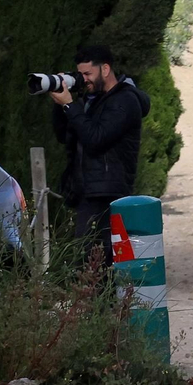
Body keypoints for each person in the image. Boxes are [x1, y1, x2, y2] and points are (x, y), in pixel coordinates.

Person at [50, 44, 152, 264]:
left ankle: (103, 299)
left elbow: (96, 139)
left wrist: (70, 105)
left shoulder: (125, 101)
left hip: (109, 192)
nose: (84, 79)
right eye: (81, 74)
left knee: (94, 262)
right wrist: (60, 105)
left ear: (105, 69)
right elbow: (64, 136)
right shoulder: (90, 101)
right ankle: (96, 298)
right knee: (88, 261)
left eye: (88, 74)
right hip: (87, 190)